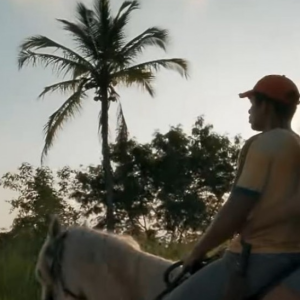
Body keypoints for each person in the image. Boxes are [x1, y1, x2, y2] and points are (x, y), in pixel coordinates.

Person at [164, 74, 300, 300]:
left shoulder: (266, 143)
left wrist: (197, 252)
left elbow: (236, 209)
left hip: (257, 256)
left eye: (252, 105)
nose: (249, 112)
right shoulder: (296, 144)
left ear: (265, 106)